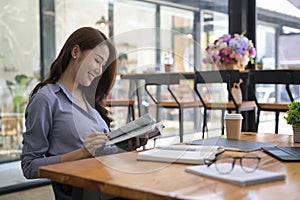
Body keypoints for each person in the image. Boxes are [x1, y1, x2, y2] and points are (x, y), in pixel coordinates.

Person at [21, 27, 147, 199]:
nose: (99, 70)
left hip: (108, 181)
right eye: (97, 60)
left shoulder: (88, 101)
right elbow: (29, 166)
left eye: (103, 65)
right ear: (75, 52)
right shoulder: (46, 98)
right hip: (85, 191)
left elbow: (99, 153)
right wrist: (81, 153)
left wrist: (125, 146)